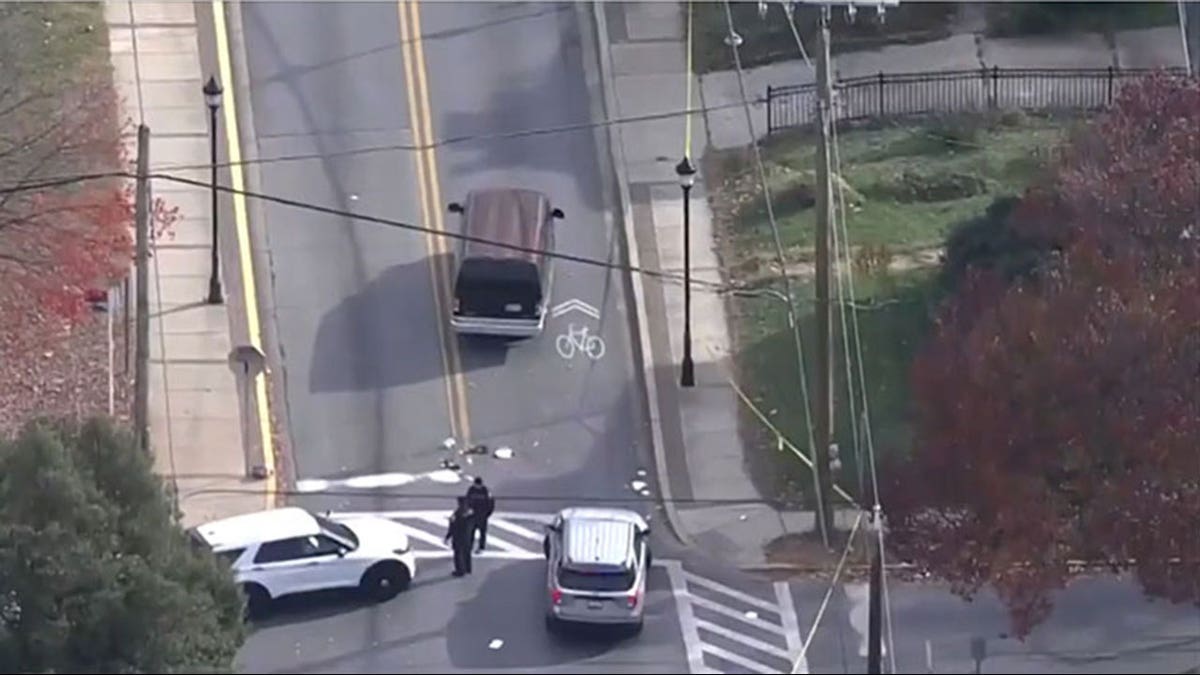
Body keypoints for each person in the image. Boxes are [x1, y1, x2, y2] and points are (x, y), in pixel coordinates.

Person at [444, 497, 474, 576]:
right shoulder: (470, 512)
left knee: (458, 554)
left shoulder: (458, 513)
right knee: (466, 553)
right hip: (467, 536)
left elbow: (453, 526)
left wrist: (447, 537)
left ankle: (460, 571)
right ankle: (468, 568)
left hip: (458, 537)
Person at [465, 476, 495, 552]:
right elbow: (467, 501)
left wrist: (487, 513)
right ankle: (469, 546)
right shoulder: (471, 490)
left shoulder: (485, 491)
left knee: (482, 532)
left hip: (482, 515)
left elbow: (491, 503)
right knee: (471, 532)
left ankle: (481, 547)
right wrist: (468, 510)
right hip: (473, 515)